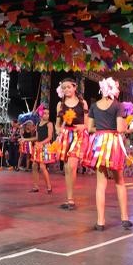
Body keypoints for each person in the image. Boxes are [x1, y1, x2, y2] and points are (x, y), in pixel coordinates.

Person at [84, 78, 132, 231]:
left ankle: (100, 221)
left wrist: (101, 128)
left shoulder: (94, 106)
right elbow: (119, 128)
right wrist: (125, 124)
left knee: (100, 184)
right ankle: (124, 218)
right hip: (112, 142)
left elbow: (89, 128)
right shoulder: (118, 105)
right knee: (119, 181)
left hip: (98, 142)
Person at [54, 78, 89, 211]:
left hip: (79, 136)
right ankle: (69, 199)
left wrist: (83, 127)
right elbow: (57, 125)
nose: (66, 90)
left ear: (74, 87)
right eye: (64, 88)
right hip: (65, 135)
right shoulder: (60, 104)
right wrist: (59, 130)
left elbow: (87, 123)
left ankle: (71, 199)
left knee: (73, 166)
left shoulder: (82, 103)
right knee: (67, 168)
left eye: (69, 87)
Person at [23, 110, 54, 193]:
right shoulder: (38, 124)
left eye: (48, 113)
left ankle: (49, 187)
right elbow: (37, 138)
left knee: (42, 166)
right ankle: (35, 186)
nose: (46, 115)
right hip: (38, 146)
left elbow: (49, 137)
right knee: (34, 165)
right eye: (45, 113)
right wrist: (25, 139)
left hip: (45, 146)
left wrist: (41, 143)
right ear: (41, 115)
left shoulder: (49, 124)